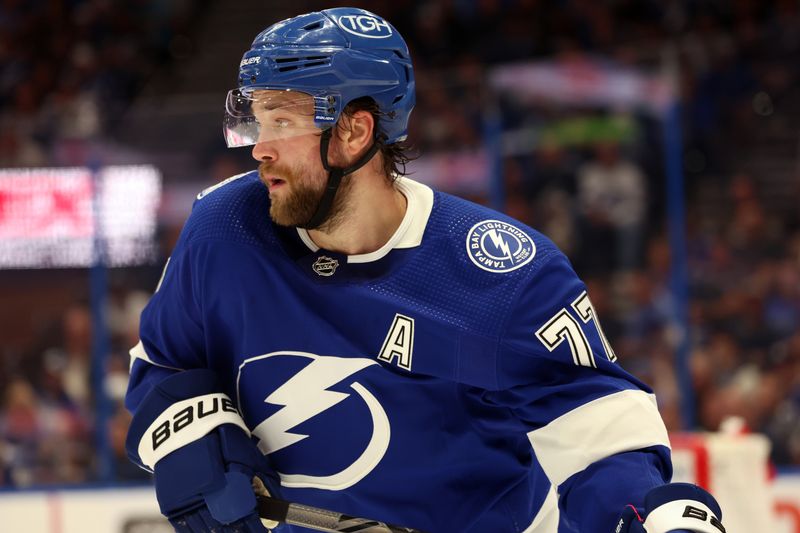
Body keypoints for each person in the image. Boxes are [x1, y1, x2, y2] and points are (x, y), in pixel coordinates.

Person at [124, 7, 725, 533]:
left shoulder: (501, 272)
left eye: (282, 120)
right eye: (256, 120)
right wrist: (188, 432)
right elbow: (164, 361)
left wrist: (650, 515)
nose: (259, 146)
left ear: (355, 133)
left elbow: (602, 437)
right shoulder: (226, 229)